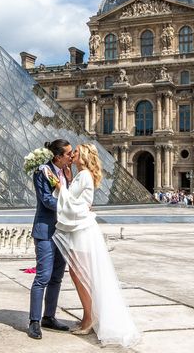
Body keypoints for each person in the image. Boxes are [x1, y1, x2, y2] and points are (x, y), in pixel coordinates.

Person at [49, 144, 140, 347]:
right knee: (80, 273)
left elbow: (76, 204)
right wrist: (67, 180)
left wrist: (59, 187)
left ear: (85, 157)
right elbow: (78, 199)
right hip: (82, 229)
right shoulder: (83, 175)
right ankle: (89, 315)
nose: (72, 155)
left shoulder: (84, 176)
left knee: (80, 274)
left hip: (82, 231)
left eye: (76, 153)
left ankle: (89, 318)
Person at [27, 139, 73, 340]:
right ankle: (34, 321)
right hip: (46, 230)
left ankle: (49, 317)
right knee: (43, 277)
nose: (72, 157)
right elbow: (46, 199)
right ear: (58, 156)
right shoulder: (42, 172)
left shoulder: (66, 173)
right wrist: (71, 207)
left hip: (62, 231)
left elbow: (68, 196)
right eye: (68, 154)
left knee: (57, 277)